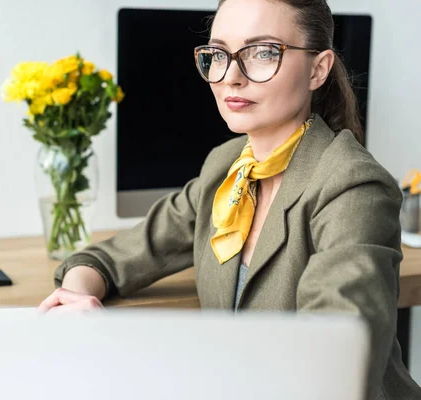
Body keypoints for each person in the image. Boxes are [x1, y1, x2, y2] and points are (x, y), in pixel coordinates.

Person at [38, 0, 421, 398]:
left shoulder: (353, 185)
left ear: (318, 69)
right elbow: (107, 259)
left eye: (263, 52)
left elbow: (336, 363)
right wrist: (77, 296)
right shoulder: (227, 168)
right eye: (218, 54)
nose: (231, 77)